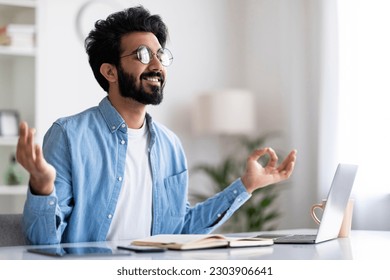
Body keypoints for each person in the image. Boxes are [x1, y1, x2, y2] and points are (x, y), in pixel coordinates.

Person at [16, 6, 297, 245]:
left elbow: (180, 231)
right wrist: (42, 186)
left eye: (160, 55)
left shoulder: (169, 144)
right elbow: (43, 245)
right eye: (141, 55)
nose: (156, 65)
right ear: (110, 71)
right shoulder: (69, 135)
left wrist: (246, 186)